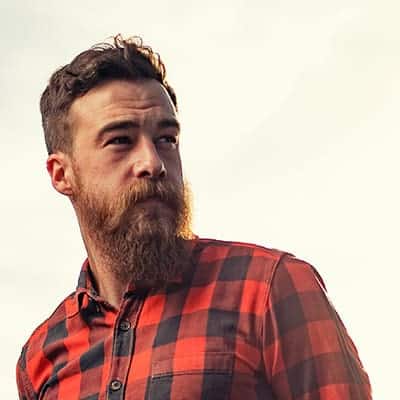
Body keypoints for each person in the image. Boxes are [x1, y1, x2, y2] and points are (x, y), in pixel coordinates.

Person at [16, 35, 372, 400]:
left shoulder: (269, 289)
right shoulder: (41, 356)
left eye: (166, 139)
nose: (152, 163)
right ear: (62, 174)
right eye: (120, 140)